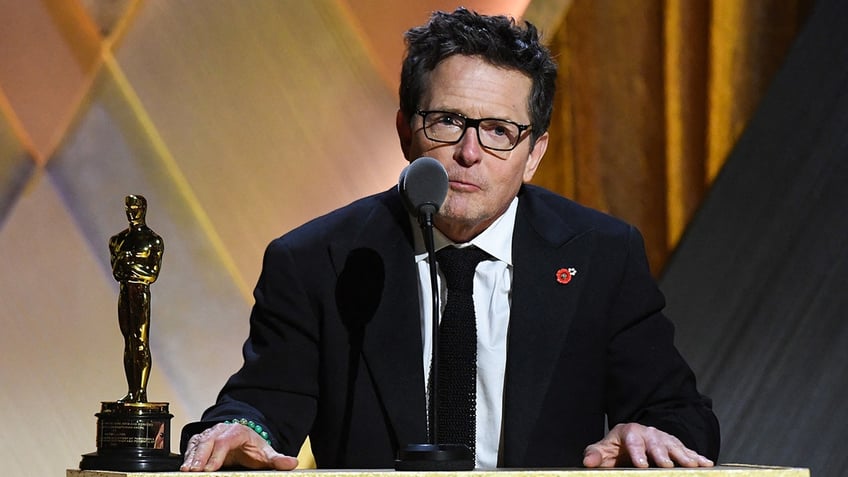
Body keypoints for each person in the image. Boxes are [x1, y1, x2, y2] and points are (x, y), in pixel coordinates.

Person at [180, 8, 719, 472]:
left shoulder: (601, 254)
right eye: (447, 121)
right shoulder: (317, 261)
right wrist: (237, 431)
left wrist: (651, 434)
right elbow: (261, 406)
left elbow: (679, 413)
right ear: (403, 131)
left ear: (534, 154)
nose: (469, 153)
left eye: (499, 131)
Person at [109, 194, 164, 403]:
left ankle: (140, 392)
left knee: (140, 342)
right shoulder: (117, 240)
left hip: (140, 292)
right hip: (125, 291)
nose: (131, 212)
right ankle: (133, 391)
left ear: (143, 209)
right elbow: (116, 272)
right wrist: (130, 266)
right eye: (128, 207)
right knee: (129, 342)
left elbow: (152, 273)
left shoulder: (153, 241)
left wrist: (129, 265)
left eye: (135, 207)